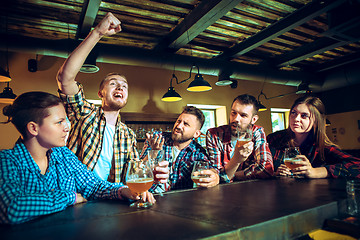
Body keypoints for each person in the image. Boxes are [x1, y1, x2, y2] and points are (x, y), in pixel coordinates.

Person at [0, 92, 155, 225]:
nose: (67, 127)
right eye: (59, 122)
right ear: (33, 128)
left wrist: (123, 190)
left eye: (66, 120)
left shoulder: (63, 155)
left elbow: (93, 186)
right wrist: (69, 196)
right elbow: (12, 209)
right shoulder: (6, 160)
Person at [56, 13, 145, 184]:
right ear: (100, 93)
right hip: (76, 197)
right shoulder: (84, 112)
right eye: (113, 83)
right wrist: (97, 32)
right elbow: (64, 78)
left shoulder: (128, 134)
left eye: (124, 85)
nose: (120, 87)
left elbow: (133, 174)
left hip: (110, 199)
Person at [267, 95, 360, 178]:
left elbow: (357, 166)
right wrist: (274, 173)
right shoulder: (274, 139)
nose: (296, 119)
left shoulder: (322, 147)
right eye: (293, 112)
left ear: (316, 121)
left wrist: (317, 172)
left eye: (304, 116)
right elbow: (255, 166)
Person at [142, 106, 219, 193]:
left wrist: (215, 176)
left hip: (180, 199)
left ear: (196, 133)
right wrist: (154, 152)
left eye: (186, 124)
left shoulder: (198, 152)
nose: (178, 126)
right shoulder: (158, 138)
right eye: (178, 121)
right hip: (150, 196)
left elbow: (211, 170)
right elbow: (139, 169)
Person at [206, 94, 274, 183]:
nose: (236, 119)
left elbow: (266, 169)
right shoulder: (214, 134)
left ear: (253, 119)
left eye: (243, 115)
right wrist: (236, 160)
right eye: (233, 113)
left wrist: (231, 174)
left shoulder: (257, 132)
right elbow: (216, 176)